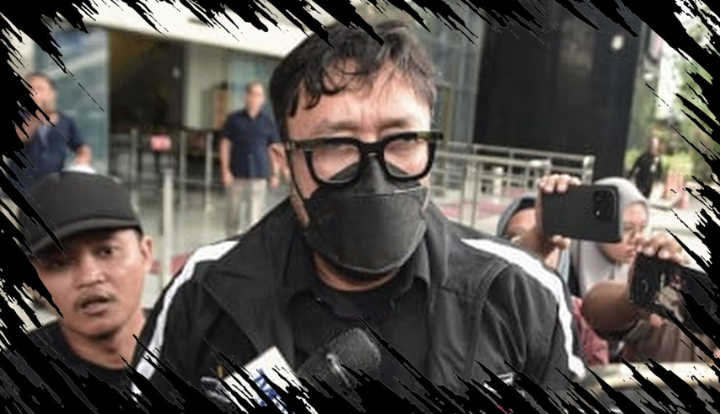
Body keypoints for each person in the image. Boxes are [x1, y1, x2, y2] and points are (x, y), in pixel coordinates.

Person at [133, 21, 584, 405]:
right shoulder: (203, 294)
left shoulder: (523, 295)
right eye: (335, 143)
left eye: (402, 140)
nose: (373, 175)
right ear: (283, 161)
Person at [18, 171, 152, 392]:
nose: (89, 277)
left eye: (107, 251)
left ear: (145, 254)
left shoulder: (200, 352)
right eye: (59, 263)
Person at [497, 189, 609, 367]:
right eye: (517, 237)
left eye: (549, 241)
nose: (536, 250)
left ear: (563, 254)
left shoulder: (581, 320)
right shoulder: (476, 307)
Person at [219, 81, 282, 236]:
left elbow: (273, 149)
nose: (255, 98)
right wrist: (225, 171)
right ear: (246, 96)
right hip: (236, 176)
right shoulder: (233, 119)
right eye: (253, 94)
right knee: (232, 218)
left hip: (259, 177)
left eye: (259, 95)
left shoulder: (268, 122)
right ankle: (231, 246)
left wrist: (275, 174)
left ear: (263, 99)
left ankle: (250, 248)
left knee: (254, 219)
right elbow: (225, 145)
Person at [10, 72, 93, 190]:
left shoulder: (65, 121)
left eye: (39, 89)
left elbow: (80, 144)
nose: (34, 93)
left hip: (53, 188)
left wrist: (83, 157)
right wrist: (35, 116)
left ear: (52, 93)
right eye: (29, 89)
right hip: (21, 187)